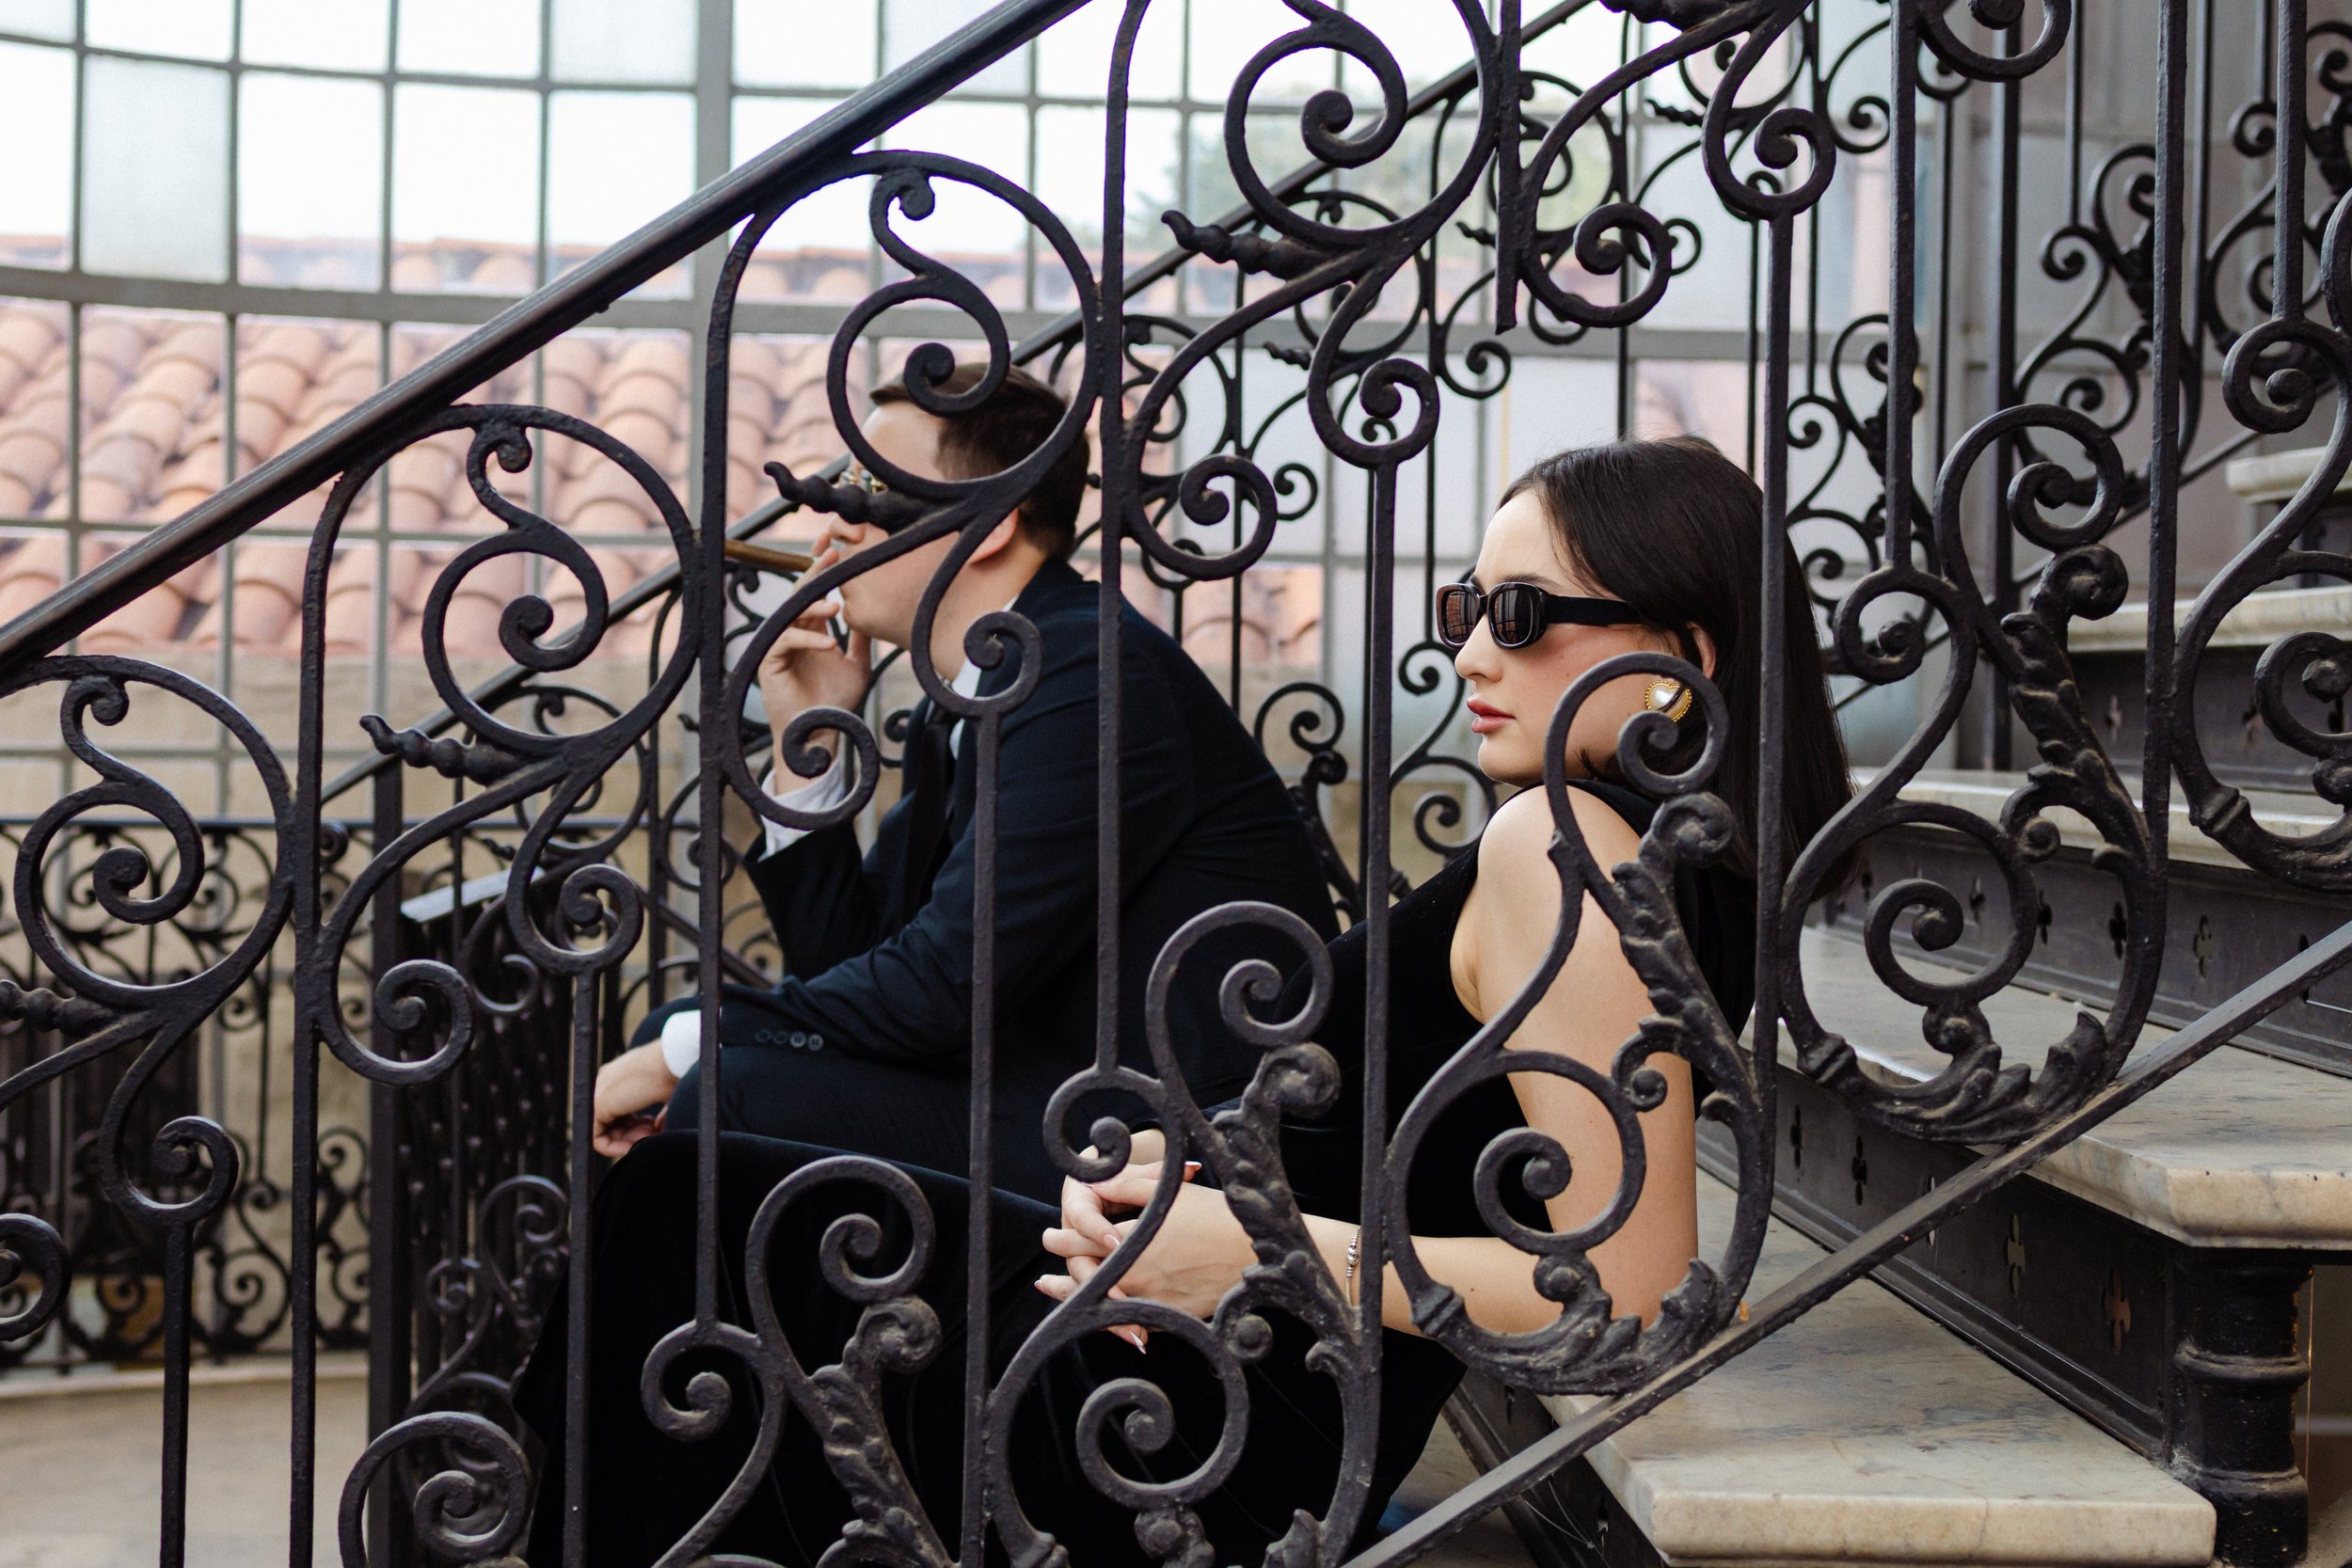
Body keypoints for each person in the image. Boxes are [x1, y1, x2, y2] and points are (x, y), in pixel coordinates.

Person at [516, 437, 1857, 1566]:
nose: (1471, 655)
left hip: (1207, 1417)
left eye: (1522, 616)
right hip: (1186, 1341)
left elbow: (1636, 1293)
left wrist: (1253, 1243)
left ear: (1682, 656)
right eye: (1464, 609)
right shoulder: (1644, 861)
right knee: (696, 1212)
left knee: (679, 1222)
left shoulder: (1561, 846)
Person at [586, 364, 1339, 1202]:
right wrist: (813, 739)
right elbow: (865, 964)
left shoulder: (1086, 668)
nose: (836, 521)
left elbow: (941, 987)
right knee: (697, 1051)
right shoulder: (983, 690)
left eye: (871, 486)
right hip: (1050, 1102)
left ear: (987, 528)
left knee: (724, 1080)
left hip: (1175, 1152)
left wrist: (687, 1051)